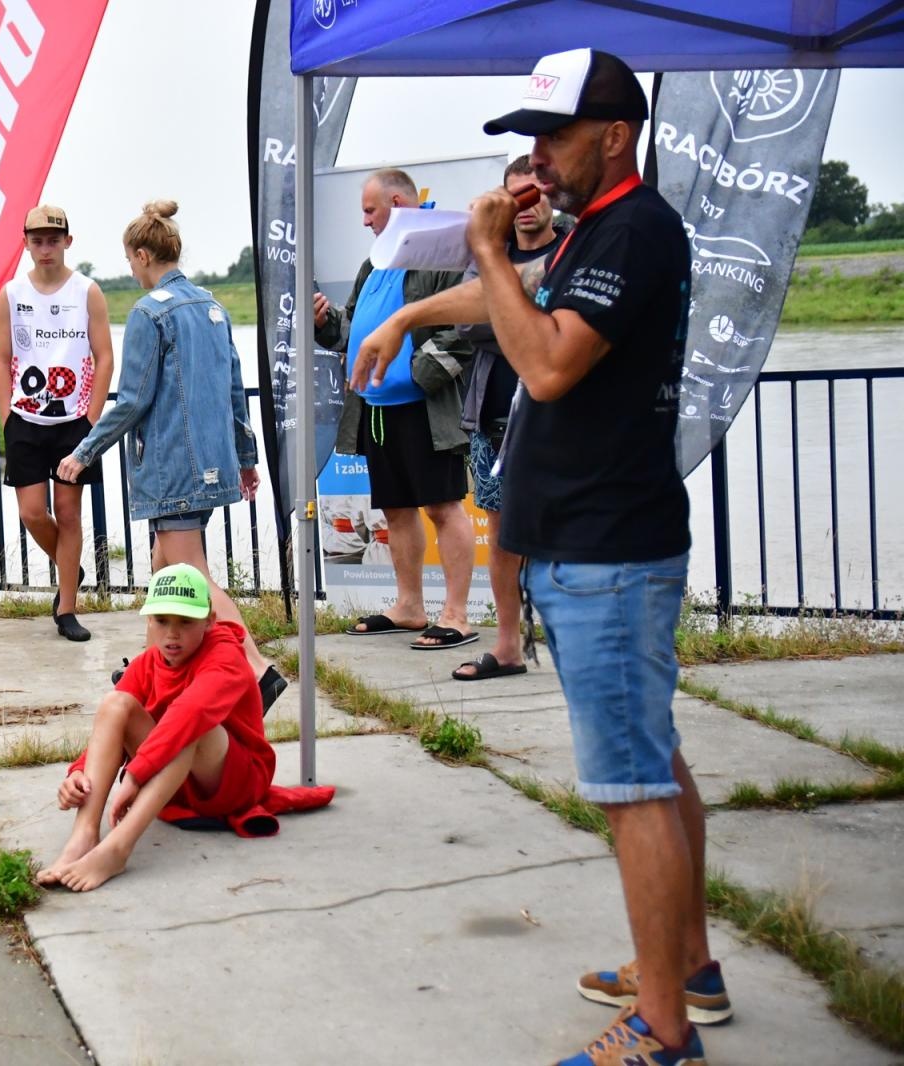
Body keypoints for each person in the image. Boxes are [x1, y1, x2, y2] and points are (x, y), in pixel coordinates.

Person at [364, 49, 724, 1065]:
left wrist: (480, 246)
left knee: (631, 786)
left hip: (607, 552)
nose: (535, 160)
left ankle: (663, 1028)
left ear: (615, 136)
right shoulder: (594, 234)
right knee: (653, 763)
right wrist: (407, 313)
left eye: (553, 137)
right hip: (592, 547)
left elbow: (551, 361)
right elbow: (515, 300)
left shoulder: (634, 229)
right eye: (528, 140)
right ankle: (686, 966)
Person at [58, 200, 286, 710]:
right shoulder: (212, 306)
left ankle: (258, 671)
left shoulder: (148, 313)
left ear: (142, 255)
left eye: (130, 261)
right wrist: (246, 457)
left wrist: (84, 452)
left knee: (194, 577)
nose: (131, 271)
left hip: (173, 468)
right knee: (165, 572)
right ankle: (152, 670)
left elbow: (132, 400)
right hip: (212, 463)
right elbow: (233, 389)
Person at [364, 156, 568, 682]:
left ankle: (575, 639)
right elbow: (469, 325)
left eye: (535, 193)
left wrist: (501, 313)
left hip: (562, 418)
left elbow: (560, 324)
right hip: (494, 417)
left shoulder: (574, 248)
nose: (526, 206)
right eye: (515, 196)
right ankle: (508, 646)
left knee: (571, 529)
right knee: (501, 535)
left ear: (552, 195)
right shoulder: (489, 254)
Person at [35, 563, 275, 892]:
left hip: (233, 784)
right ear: (149, 620)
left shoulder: (226, 657)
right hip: (172, 780)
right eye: (162, 621)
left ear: (209, 620)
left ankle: (117, 849)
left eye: (185, 622)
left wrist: (135, 775)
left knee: (190, 728)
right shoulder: (149, 661)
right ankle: (83, 836)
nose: (172, 634)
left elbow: (191, 713)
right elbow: (110, 727)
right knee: (115, 704)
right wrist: (79, 772)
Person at [314, 170, 476, 651]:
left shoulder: (443, 250)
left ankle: (457, 615)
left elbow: (464, 327)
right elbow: (353, 331)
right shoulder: (375, 261)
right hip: (377, 410)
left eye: (370, 210)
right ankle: (409, 606)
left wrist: (414, 374)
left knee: (443, 507)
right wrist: (326, 323)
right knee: (396, 510)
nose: (365, 221)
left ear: (398, 203)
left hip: (425, 408)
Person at [0, 205, 113, 642]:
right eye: (38, 240)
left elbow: (104, 357)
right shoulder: (11, 293)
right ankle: (70, 567)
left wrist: (91, 419)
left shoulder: (87, 291)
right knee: (31, 512)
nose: (46, 248)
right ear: (25, 243)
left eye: (53, 240)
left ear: (67, 242)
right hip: (25, 418)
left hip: (73, 421)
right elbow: (1, 357)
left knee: (68, 512)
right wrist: (6, 416)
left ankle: (67, 609)